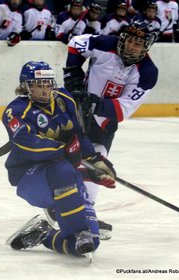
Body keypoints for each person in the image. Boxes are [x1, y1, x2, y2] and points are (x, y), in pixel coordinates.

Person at [2, 61, 116, 257]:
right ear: (25, 86)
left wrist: (94, 160)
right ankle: (79, 229)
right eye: (38, 85)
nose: (45, 90)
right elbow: (31, 146)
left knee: (86, 246)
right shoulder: (16, 111)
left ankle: (44, 234)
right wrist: (66, 150)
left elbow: (78, 134)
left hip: (64, 175)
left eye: (48, 84)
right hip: (29, 176)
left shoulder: (64, 99)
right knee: (63, 171)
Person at [63, 21, 158, 208]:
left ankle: (86, 210)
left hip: (103, 124)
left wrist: (95, 104)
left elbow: (124, 109)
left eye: (138, 44)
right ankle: (59, 202)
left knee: (96, 166)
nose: (131, 46)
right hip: (76, 111)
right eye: (130, 40)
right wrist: (73, 76)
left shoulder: (147, 72)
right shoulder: (106, 44)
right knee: (64, 159)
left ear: (146, 47)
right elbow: (76, 43)